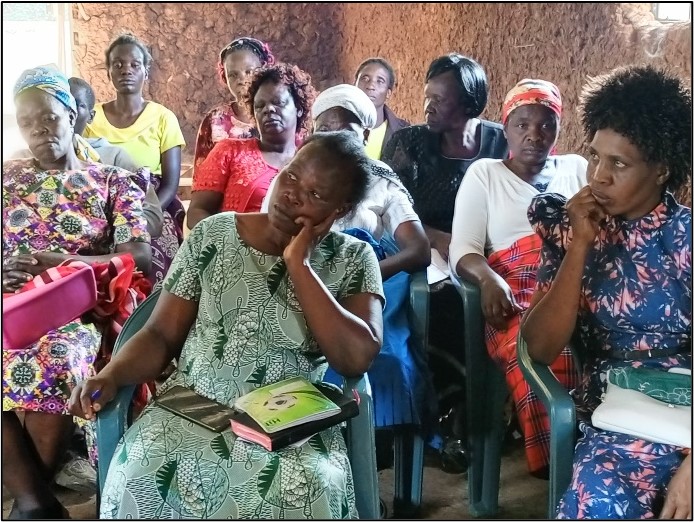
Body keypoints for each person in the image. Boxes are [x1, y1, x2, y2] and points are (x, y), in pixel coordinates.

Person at [69, 130, 385, 519]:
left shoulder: (354, 258)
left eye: (317, 195)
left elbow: (356, 359)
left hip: (288, 422)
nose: (292, 195)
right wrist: (112, 375)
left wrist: (299, 264)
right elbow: (160, 334)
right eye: (291, 176)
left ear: (341, 208)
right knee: (139, 473)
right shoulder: (213, 234)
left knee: (311, 485)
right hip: (193, 404)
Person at [521, 65, 691, 518]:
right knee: (600, 498)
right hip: (619, 422)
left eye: (619, 163)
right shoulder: (569, 226)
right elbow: (538, 346)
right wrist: (579, 246)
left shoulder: (686, 240)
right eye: (594, 157)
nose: (597, 177)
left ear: (662, 170)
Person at [2, 65, 151, 519]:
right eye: (27, 123)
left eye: (48, 118)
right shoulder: (7, 180)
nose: (38, 131)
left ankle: (31, 500)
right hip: (11, 304)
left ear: (71, 114)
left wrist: (65, 264)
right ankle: (38, 504)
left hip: (80, 308)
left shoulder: (111, 180)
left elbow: (139, 258)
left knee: (56, 356)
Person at [262, 85, 434, 450]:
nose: (337, 140)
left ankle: (371, 451)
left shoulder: (381, 179)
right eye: (327, 131)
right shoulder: (293, 180)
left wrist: (363, 275)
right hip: (297, 286)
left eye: (348, 129)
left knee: (382, 354)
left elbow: (418, 250)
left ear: (366, 135)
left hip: (363, 290)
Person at [450, 79, 587, 477]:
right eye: (522, 124)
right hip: (514, 294)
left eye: (546, 125)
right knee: (544, 349)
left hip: (576, 285)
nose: (534, 135)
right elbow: (464, 250)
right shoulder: (485, 175)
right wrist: (489, 279)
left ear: (559, 128)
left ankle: (604, 451)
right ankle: (560, 463)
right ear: (505, 128)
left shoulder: (576, 168)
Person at [381, 53, 508, 461]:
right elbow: (392, 207)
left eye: (441, 98)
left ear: (470, 104)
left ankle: (495, 409)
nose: (428, 106)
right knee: (444, 303)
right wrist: (442, 239)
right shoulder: (410, 143)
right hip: (430, 248)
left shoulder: (500, 142)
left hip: (489, 250)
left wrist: (478, 247)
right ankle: (452, 412)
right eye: (426, 96)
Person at [84, 32, 186, 285]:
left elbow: (170, 184)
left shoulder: (163, 117)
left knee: (156, 261)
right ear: (108, 72)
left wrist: (142, 215)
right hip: (100, 204)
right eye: (117, 64)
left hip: (151, 203)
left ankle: (153, 317)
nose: (125, 70)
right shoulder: (90, 118)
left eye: (134, 65)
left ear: (146, 72)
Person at [187, 62, 316, 229]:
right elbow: (197, 212)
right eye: (259, 106)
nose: (268, 109)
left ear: (299, 107)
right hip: (231, 249)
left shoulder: (312, 161)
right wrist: (229, 241)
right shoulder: (229, 151)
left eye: (278, 102)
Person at [68, 76, 164, 238]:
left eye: (77, 105)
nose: (70, 112)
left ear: (91, 116)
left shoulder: (114, 159)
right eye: (63, 104)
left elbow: (153, 218)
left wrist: (99, 227)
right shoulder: (24, 164)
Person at [193, 36, 275, 167]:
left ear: (264, 71)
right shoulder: (215, 121)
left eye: (249, 71)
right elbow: (201, 173)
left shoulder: (277, 116)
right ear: (225, 78)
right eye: (233, 75)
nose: (242, 80)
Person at [354, 57, 409, 160]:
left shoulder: (405, 134)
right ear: (354, 85)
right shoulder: (337, 128)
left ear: (388, 93)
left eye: (380, 81)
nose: (370, 86)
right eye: (364, 79)